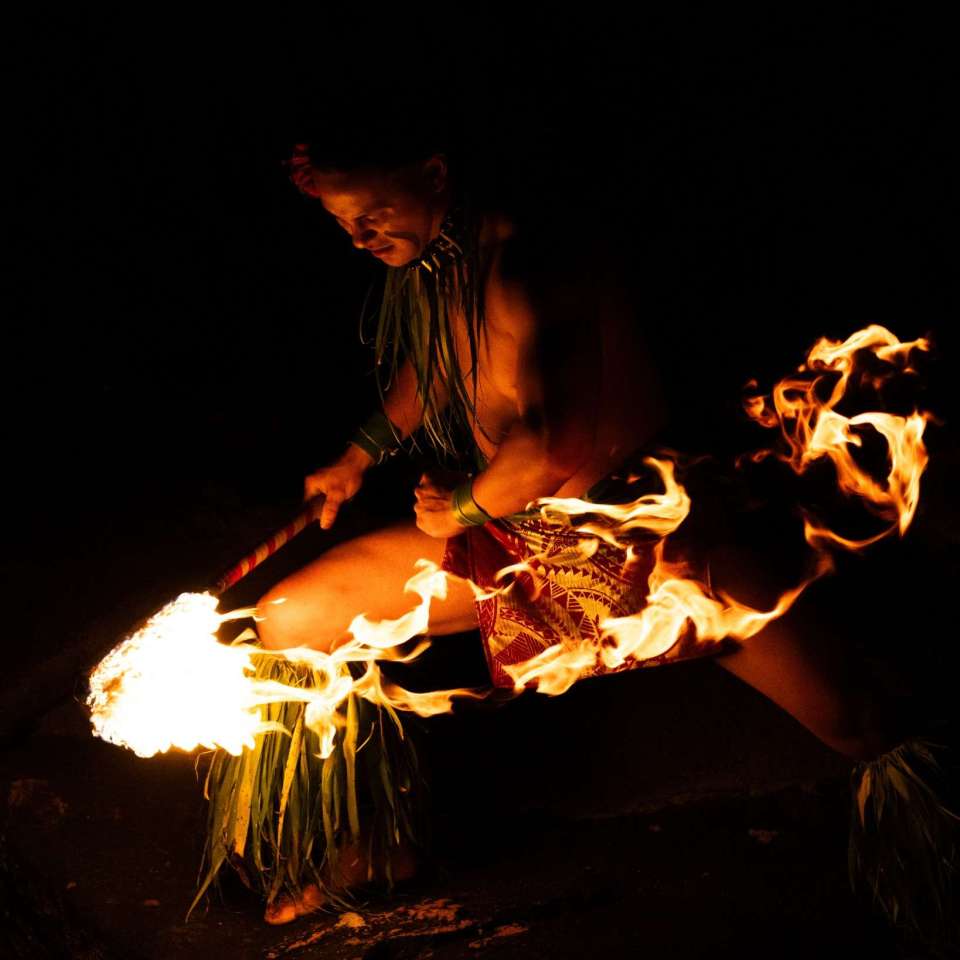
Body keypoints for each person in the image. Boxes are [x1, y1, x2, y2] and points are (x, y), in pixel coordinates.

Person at [250, 124, 952, 941]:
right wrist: (356, 455)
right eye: (342, 225)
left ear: (435, 173)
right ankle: (374, 844)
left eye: (371, 213)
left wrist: (462, 507)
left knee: (863, 724)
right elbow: (441, 363)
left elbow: (559, 446)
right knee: (293, 620)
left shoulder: (533, 261)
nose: (360, 238)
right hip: (517, 544)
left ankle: (937, 854)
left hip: (646, 545)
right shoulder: (438, 259)